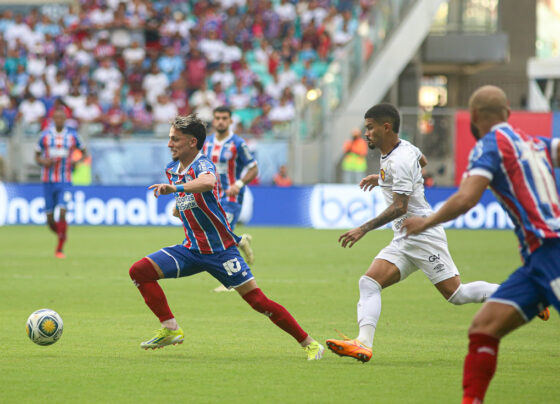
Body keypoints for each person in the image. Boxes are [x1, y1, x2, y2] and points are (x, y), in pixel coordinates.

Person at [403, 86, 556, 404]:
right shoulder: (534, 143)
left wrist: (424, 222)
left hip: (552, 251)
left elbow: (466, 198)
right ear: (508, 113)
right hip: (535, 263)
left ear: (473, 117)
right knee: (483, 328)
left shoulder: (489, 147)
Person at [128, 114, 324, 360]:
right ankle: (170, 329)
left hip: (221, 252)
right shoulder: (171, 169)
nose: (169, 144)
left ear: (191, 142)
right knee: (139, 271)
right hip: (190, 249)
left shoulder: (203, 165)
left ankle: (310, 344)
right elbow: (189, 201)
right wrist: (179, 206)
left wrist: (175, 190)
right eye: (170, 139)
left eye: (175, 139)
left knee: (258, 301)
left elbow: (208, 183)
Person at [325, 103, 501, 363]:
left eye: (370, 128)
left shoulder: (401, 159)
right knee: (369, 282)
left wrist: (363, 228)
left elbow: (400, 206)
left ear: (386, 128)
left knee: (456, 294)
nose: (366, 134)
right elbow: (423, 161)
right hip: (405, 236)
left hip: (422, 234)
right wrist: (382, 178)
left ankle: (521, 295)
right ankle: (363, 343)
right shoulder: (405, 149)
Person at [203, 106, 258, 292]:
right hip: (211, 197)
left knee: (221, 236)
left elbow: (253, 168)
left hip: (231, 197)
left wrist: (239, 184)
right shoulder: (206, 143)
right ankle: (240, 240)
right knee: (216, 235)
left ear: (230, 121)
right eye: (217, 117)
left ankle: (233, 281)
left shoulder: (238, 143)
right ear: (213, 119)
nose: (220, 121)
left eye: (224, 118)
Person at [35, 107, 87, 258]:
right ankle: (62, 234)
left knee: (63, 212)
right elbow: (36, 155)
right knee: (50, 218)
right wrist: (43, 161)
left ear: (65, 119)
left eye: (61, 118)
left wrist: (77, 161)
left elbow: (84, 152)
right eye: (56, 118)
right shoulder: (44, 136)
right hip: (48, 180)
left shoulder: (72, 136)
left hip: (65, 180)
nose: (58, 120)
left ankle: (59, 249)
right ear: (52, 119)